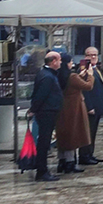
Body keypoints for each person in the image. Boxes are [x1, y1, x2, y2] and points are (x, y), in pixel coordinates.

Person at [28, 51, 64, 182]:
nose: (60, 63)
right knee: (44, 142)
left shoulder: (48, 74)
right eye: (59, 60)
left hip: (49, 111)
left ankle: (42, 169)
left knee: (45, 141)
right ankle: (41, 171)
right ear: (53, 61)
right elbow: (41, 95)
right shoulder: (47, 76)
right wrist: (33, 109)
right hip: (46, 112)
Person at [55, 52, 93, 174]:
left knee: (64, 135)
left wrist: (79, 76)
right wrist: (90, 75)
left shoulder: (60, 75)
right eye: (70, 62)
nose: (72, 64)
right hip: (74, 108)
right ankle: (70, 163)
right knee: (73, 135)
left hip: (63, 108)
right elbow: (88, 86)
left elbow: (74, 84)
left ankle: (62, 161)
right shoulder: (71, 77)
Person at [78, 47, 103, 166]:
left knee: (93, 132)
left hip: (98, 106)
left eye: (95, 55)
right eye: (90, 55)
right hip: (90, 107)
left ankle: (90, 153)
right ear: (86, 56)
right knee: (87, 132)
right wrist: (89, 106)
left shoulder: (95, 69)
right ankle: (84, 155)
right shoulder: (84, 70)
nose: (93, 57)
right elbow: (84, 90)